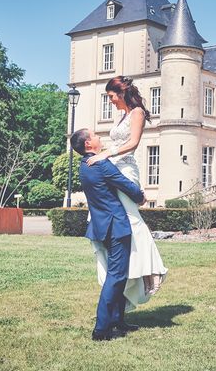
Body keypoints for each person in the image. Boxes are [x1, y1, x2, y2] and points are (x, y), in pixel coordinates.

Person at [86, 76, 168, 311]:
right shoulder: (121, 115)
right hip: (113, 169)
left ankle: (149, 268)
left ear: (121, 93)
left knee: (131, 218)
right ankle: (122, 267)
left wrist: (106, 155)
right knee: (116, 216)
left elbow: (133, 143)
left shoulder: (137, 113)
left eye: (111, 96)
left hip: (125, 170)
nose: (110, 101)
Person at [71, 128, 146, 341]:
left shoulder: (84, 166)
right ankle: (101, 328)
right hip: (115, 225)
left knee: (118, 275)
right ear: (88, 144)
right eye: (95, 136)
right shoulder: (101, 164)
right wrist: (140, 196)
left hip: (101, 226)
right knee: (116, 276)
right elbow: (126, 186)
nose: (99, 138)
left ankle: (117, 321)